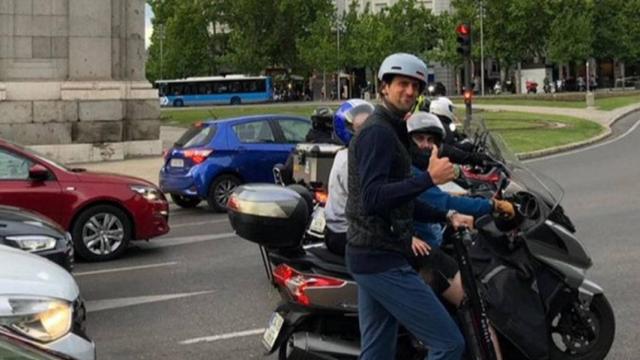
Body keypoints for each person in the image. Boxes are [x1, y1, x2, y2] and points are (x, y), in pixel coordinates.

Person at [345, 52, 466, 360]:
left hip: (371, 254)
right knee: (449, 344)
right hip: (380, 256)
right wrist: (427, 179)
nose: (410, 92)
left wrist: (446, 214)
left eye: (416, 86)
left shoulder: (394, 128)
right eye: (402, 84)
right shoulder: (377, 133)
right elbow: (374, 198)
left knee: (377, 352)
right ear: (384, 86)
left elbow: (400, 199)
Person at [406, 111, 513, 359]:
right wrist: (492, 205)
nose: (424, 145)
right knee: (472, 301)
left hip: (430, 240)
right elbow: (441, 200)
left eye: (429, 140)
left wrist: (454, 212)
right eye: (418, 139)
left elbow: (441, 201)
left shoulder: (419, 171)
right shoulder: (412, 174)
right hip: (421, 253)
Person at [324, 99, 375, 255]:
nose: (368, 131)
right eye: (361, 127)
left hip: (352, 227)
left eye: (370, 124)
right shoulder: (349, 160)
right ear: (348, 130)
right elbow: (366, 202)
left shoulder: (357, 154)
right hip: (345, 233)